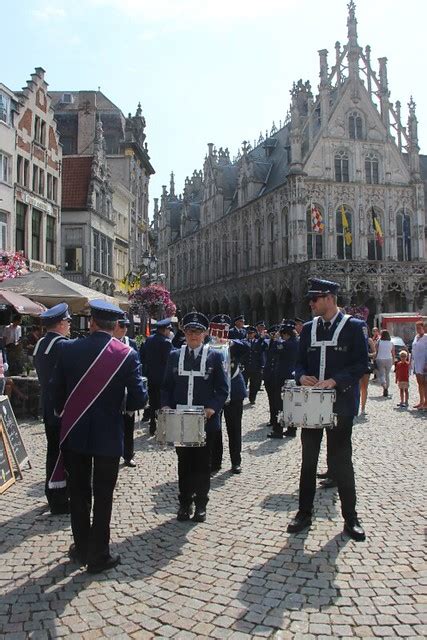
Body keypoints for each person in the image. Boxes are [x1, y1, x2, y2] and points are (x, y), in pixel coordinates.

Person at [51, 300, 147, 574]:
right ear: (116, 325)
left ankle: (81, 548)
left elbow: (55, 392)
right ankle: (99, 555)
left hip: (75, 432)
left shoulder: (67, 349)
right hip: (108, 435)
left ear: (91, 322)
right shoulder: (126, 355)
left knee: (79, 494)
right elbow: (139, 399)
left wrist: (65, 413)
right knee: (104, 496)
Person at [287, 278, 368, 542]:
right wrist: (301, 377)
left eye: (315, 299)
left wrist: (335, 380)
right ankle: (304, 512)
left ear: (330, 298)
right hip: (312, 404)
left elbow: (361, 365)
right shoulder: (308, 329)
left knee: (341, 461)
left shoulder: (354, 327)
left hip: (341, 404)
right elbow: (298, 363)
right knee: (308, 461)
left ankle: (351, 518)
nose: (310, 304)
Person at [161, 311, 229, 522]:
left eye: (198, 332)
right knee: (184, 464)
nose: (193, 336)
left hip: (205, 421)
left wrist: (212, 408)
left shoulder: (215, 356)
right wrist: (165, 406)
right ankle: (184, 504)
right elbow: (166, 387)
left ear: (205, 334)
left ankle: (201, 504)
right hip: (181, 420)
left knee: (202, 465)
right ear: (184, 332)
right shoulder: (174, 356)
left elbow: (222, 389)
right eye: (190, 331)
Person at [34, 303, 72, 515]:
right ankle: (60, 497)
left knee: (52, 452)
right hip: (63, 408)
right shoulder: (63, 345)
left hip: (48, 407)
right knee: (62, 455)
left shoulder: (41, 343)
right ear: (59, 323)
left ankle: (53, 493)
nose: (69, 325)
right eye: (67, 321)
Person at [210, 314, 249, 475]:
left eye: (223, 328)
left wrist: (230, 342)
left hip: (234, 390)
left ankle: (236, 462)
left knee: (234, 428)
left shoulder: (233, 341)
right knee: (215, 429)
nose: (220, 333)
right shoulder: (208, 344)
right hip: (215, 393)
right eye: (217, 329)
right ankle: (215, 461)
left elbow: (246, 346)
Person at [113, 315, 140, 467]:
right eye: (121, 326)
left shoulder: (132, 343)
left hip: (128, 392)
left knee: (129, 426)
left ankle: (128, 455)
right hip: (113, 392)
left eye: (126, 326)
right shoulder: (108, 342)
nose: (124, 330)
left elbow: (137, 367)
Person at [140, 318, 173, 434]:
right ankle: (161, 427)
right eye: (169, 329)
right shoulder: (166, 342)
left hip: (151, 375)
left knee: (153, 402)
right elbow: (169, 360)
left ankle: (152, 425)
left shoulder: (149, 340)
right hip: (163, 377)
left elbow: (142, 357)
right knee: (163, 402)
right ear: (165, 330)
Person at [241, 326, 266, 404]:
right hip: (245, 366)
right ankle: (241, 398)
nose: (250, 335)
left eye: (251, 333)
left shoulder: (258, 342)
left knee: (254, 384)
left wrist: (262, 366)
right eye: (248, 333)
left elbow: (261, 354)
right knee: (243, 383)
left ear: (255, 334)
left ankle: (252, 398)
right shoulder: (243, 341)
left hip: (255, 366)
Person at [359, 329, 376, 416]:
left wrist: (368, 354)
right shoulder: (355, 338)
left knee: (364, 387)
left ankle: (363, 408)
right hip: (356, 364)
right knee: (357, 387)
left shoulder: (369, 340)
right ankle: (356, 406)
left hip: (366, 364)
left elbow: (374, 352)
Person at [411, 320, 427, 409]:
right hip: (417, 363)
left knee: (425, 383)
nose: (418, 330)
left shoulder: (426, 337)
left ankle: (426, 402)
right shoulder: (416, 337)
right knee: (419, 383)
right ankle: (421, 401)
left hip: (424, 363)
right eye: (417, 328)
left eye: (419, 328)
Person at [375, 330, 395, 397]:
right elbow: (393, 353)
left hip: (380, 358)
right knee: (387, 374)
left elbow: (376, 351)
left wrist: (374, 358)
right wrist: (394, 360)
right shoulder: (391, 342)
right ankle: (387, 388)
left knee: (381, 374)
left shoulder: (379, 342)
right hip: (389, 359)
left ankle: (384, 386)